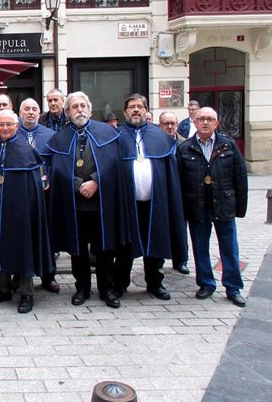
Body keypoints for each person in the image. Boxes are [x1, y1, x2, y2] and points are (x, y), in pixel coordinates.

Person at [43, 92, 127, 308]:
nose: (79, 110)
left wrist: (96, 181)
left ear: (89, 110)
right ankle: (82, 288)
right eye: (74, 107)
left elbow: (114, 163)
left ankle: (106, 289)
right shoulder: (59, 138)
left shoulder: (108, 132)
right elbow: (57, 169)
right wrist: (78, 184)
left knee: (104, 248)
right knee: (78, 249)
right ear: (67, 112)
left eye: (83, 106)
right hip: (75, 203)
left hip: (101, 201)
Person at [0, 110, 52, 314]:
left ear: (16, 126)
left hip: (21, 212)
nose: (5, 128)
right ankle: (3, 288)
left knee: (23, 247)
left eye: (9, 124)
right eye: (1, 125)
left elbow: (34, 187)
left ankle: (26, 293)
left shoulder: (25, 150)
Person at [114, 94, 187, 301]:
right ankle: (120, 284)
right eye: (131, 107)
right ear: (125, 111)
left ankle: (154, 283)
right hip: (127, 203)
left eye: (140, 107)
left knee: (154, 243)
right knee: (125, 247)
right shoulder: (116, 136)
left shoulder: (160, 136)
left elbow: (170, 173)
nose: (136, 110)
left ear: (147, 111)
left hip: (155, 203)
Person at [177, 107, 248, 307]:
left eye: (210, 119)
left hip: (224, 204)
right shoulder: (185, 148)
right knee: (200, 248)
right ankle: (206, 284)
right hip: (197, 206)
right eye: (201, 119)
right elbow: (180, 182)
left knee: (229, 248)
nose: (205, 122)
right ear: (195, 122)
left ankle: (233, 287)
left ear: (216, 123)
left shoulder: (228, 145)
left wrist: (240, 209)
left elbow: (240, 177)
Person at [17, 98, 59, 294]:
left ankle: (48, 276)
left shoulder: (50, 135)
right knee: (21, 236)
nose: (31, 112)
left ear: (39, 113)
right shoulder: (11, 134)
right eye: (27, 109)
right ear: (20, 113)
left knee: (46, 236)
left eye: (34, 109)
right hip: (20, 196)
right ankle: (19, 276)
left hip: (46, 195)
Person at [159, 111, 190, 275]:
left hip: (181, 193)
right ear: (160, 125)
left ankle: (181, 261)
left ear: (177, 125)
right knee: (163, 229)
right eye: (166, 124)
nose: (170, 127)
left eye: (172, 123)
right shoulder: (156, 143)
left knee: (180, 228)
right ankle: (160, 260)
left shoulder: (185, 144)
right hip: (162, 193)